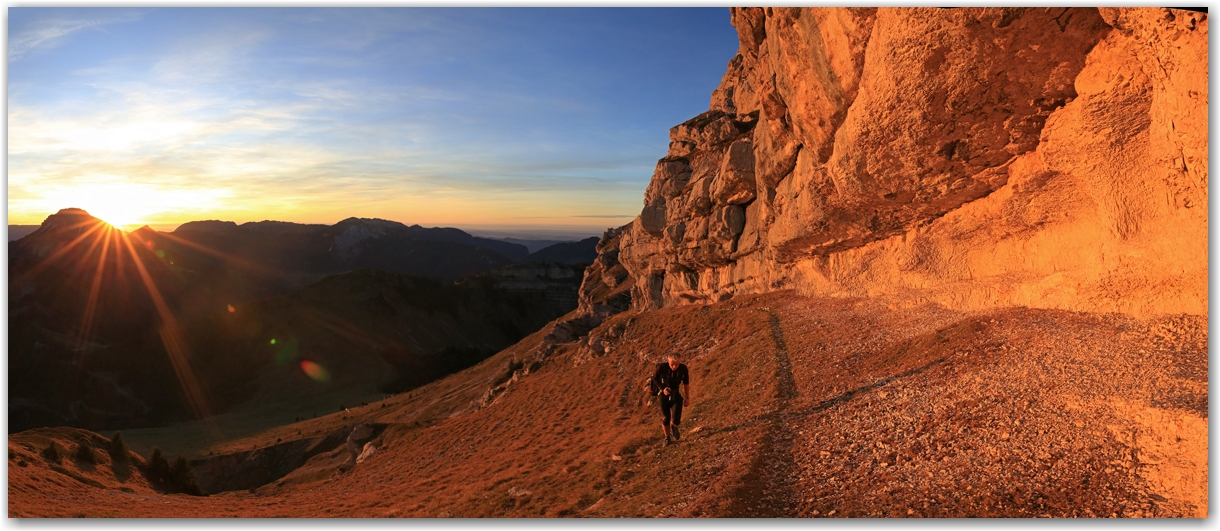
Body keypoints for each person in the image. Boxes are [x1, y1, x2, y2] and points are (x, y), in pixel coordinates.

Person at [650, 354, 691, 445]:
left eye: (677, 364)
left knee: (676, 419)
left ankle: (674, 426)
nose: (674, 366)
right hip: (663, 396)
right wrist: (662, 388)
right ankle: (667, 438)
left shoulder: (683, 368)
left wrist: (687, 397)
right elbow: (654, 378)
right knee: (666, 418)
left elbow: (686, 383)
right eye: (672, 364)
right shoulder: (661, 367)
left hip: (675, 395)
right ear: (668, 361)